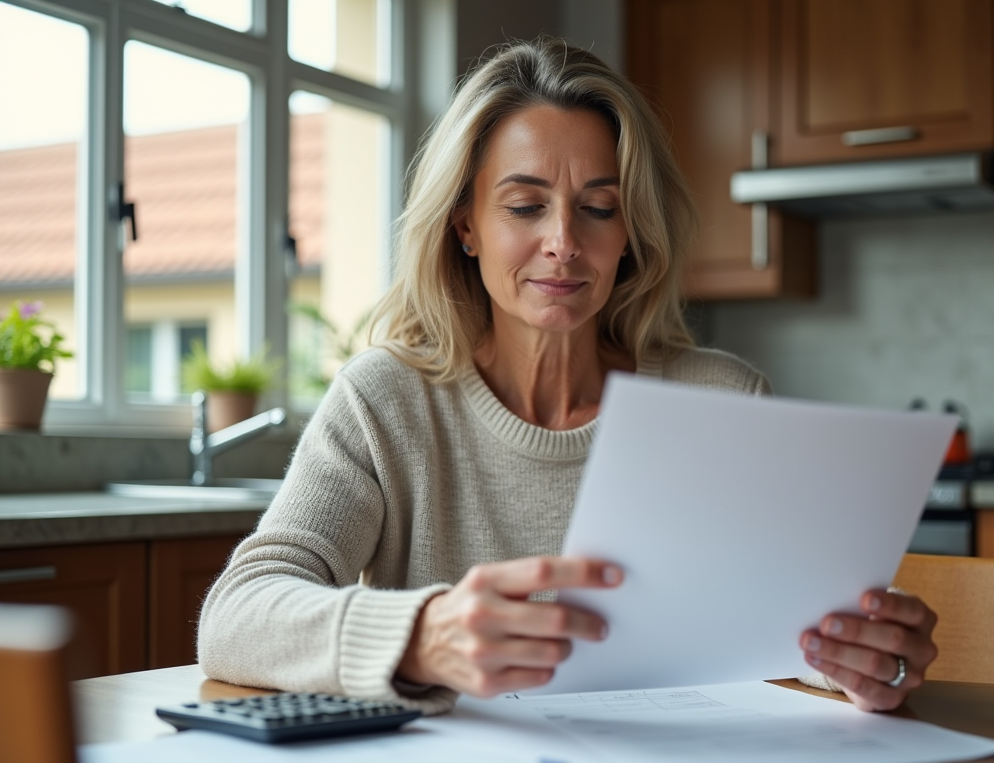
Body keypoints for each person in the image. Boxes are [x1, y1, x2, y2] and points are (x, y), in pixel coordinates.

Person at [198, 38, 938, 716]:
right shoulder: (385, 400)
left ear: (630, 232)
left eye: (598, 209)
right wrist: (423, 635)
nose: (563, 242)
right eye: (525, 206)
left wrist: (864, 662)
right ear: (465, 225)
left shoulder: (722, 400)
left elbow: (789, 630)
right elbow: (236, 616)